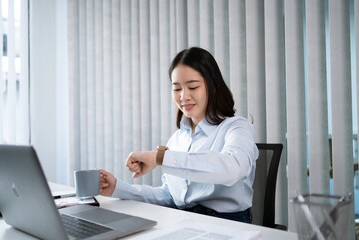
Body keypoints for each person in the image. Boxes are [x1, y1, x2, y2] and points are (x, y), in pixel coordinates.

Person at [100, 47, 258, 223]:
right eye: (176, 89)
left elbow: (232, 169)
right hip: (183, 222)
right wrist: (118, 188)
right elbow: (169, 197)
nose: (184, 96)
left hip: (227, 225)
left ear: (212, 86)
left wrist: (160, 158)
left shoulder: (236, 127)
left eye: (193, 87)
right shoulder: (177, 139)